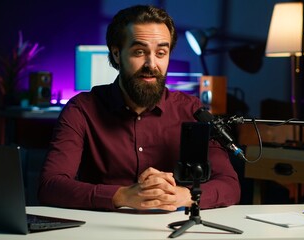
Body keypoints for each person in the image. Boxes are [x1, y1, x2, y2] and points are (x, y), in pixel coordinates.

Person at [38, 5, 241, 211]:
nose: (151, 64)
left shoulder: (193, 111)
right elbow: (50, 186)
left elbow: (230, 185)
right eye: (139, 52)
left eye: (161, 53)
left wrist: (184, 196)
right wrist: (122, 195)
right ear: (117, 54)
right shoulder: (81, 109)